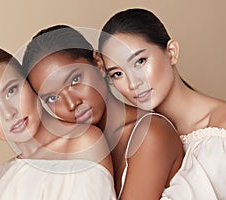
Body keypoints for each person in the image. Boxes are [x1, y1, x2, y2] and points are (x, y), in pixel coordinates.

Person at [22, 25, 184, 199]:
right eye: (52, 98)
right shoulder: (73, 152)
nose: (71, 104)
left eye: (75, 80)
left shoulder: (150, 133)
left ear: (98, 64)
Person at [0, 47, 116, 200]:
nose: (9, 113)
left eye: (11, 91)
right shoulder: (2, 176)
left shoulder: (83, 142)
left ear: (29, 82)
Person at [99, 8, 226, 200]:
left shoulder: (219, 135)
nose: (133, 83)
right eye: (117, 73)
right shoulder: (136, 137)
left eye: (140, 61)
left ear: (172, 52)